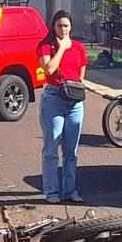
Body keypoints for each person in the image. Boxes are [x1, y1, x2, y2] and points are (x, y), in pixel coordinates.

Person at [37, 10, 88, 204]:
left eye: (66, 26)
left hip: (74, 100)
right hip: (54, 98)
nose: (63, 29)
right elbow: (49, 68)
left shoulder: (79, 47)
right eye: (59, 26)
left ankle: (70, 190)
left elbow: (81, 72)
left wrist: (75, 87)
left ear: (71, 27)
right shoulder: (45, 46)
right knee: (51, 148)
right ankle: (51, 191)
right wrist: (61, 49)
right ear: (54, 27)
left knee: (71, 150)